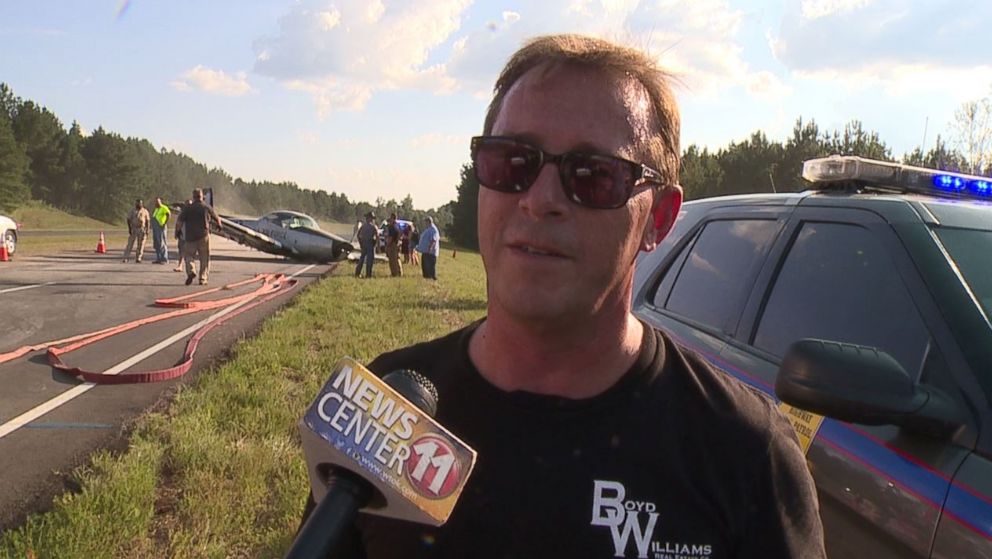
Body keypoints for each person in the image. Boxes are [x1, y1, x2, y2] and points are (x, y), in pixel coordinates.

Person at [300, 34, 825, 558]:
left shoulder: (745, 453)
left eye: (594, 176)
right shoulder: (384, 407)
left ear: (659, 219)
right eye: (512, 162)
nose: (539, 200)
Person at [176, 188, 221, 286]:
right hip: (203, 236)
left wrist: (177, 232)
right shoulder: (206, 207)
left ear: (193, 197)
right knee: (204, 258)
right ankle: (203, 278)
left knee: (188, 256)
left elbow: (179, 221)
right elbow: (216, 217)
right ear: (201, 196)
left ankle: (191, 270)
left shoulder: (188, 208)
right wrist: (219, 225)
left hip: (190, 237)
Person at [121, 199, 150, 263]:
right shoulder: (132, 211)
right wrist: (130, 229)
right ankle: (126, 257)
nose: (138, 204)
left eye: (140, 203)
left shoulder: (145, 211)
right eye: (137, 203)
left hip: (142, 229)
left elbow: (147, 221)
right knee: (130, 244)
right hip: (134, 228)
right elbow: (128, 219)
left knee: (141, 244)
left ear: (142, 204)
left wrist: (147, 229)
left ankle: (138, 258)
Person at [354, 211, 379, 278]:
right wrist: (376, 245)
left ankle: (357, 273)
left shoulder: (363, 226)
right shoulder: (374, 227)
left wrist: (361, 243)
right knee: (369, 260)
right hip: (370, 244)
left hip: (364, 244)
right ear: (371, 218)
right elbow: (377, 236)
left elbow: (358, 235)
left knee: (361, 259)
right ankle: (368, 274)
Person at [416, 216, 439, 280]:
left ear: (428, 222)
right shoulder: (428, 229)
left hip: (430, 252)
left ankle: (431, 277)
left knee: (430, 266)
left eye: (425, 222)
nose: (425, 224)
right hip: (425, 251)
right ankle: (426, 277)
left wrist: (430, 248)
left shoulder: (433, 229)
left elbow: (433, 240)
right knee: (425, 265)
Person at [173, 198, 192, 272]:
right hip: (182, 236)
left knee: (190, 253)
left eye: (190, 204)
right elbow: (178, 224)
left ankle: (190, 268)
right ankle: (180, 265)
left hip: (192, 236)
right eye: (187, 204)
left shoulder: (194, 214)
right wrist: (176, 233)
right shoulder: (182, 214)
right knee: (181, 251)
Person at [151, 196, 171, 264]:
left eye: (158, 202)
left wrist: (164, 223)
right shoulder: (156, 209)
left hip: (161, 227)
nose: (156, 203)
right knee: (157, 243)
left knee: (162, 242)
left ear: (160, 202)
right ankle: (158, 258)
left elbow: (168, 214)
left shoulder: (164, 207)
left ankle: (165, 259)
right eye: (155, 202)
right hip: (155, 227)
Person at [385, 212, 402, 277]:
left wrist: (387, 245)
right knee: (397, 259)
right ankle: (399, 272)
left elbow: (390, 237)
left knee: (392, 260)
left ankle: (394, 273)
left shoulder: (392, 227)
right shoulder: (398, 225)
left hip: (393, 244)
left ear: (393, 218)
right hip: (397, 243)